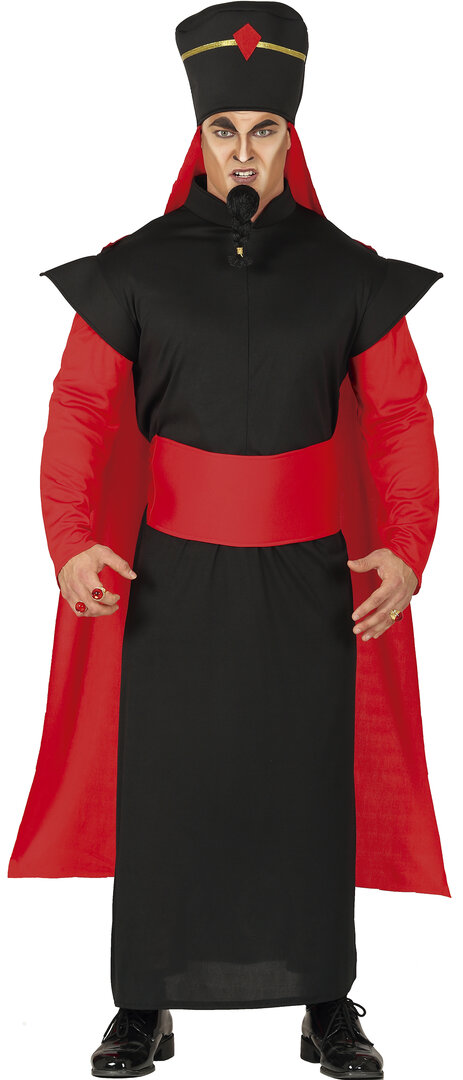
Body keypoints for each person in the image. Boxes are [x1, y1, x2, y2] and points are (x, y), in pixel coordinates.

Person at [8, 4, 450, 1078]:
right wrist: (70, 541)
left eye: (262, 129)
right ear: (197, 136)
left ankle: (326, 1002)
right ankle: (143, 1004)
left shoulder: (347, 270)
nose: (242, 151)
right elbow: (79, 413)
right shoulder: (134, 268)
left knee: (307, 787)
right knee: (169, 787)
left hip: (310, 576)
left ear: (291, 136)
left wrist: (406, 546)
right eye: (223, 131)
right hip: (171, 576)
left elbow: (400, 416)